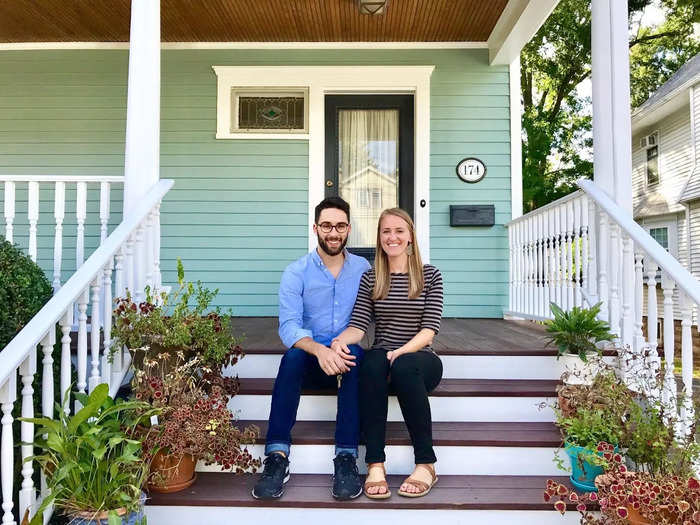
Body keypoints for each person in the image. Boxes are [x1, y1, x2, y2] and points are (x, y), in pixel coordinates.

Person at [252, 197, 371, 501]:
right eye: (327, 225)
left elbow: (366, 319)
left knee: (355, 357)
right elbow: (289, 327)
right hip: (310, 360)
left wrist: (338, 346)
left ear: (348, 229)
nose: (334, 232)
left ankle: (346, 458)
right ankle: (277, 455)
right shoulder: (297, 271)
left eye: (341, 226)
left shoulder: (363, 269)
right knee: (292, 356)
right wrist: (319, 350)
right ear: (316, 228)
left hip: (345, 357)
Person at [331, 208, 444, 499]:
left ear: (410, 237)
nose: (392, 237)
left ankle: (426, 463)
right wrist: (338, 342)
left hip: (421, 359)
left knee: (404, 365)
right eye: (386, 231)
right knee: (369, 365)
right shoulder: (372, 278)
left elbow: (429, 330)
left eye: (399, 231)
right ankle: (375, 463)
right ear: (380, 237)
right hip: (383, 357)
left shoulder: (430, 275)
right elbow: (357, 325)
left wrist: (401, 352)